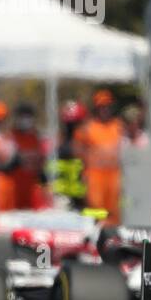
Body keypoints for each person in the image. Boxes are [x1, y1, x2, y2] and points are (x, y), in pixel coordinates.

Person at [75, 89, 123, 221]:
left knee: (114, 210)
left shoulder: (118, 126)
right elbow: (78, 149)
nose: (104, 109)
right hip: (95, 175)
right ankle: (97, 231)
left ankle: (113, 231)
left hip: (114, 174)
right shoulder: (88, 127)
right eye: (102, 106)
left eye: (107, 106)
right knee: (96, 209)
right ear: (96, 108)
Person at [49, 100, 88, 210]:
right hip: (66, 196)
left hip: (83, 194)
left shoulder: (85, 142)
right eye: (70, 125)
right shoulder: (61, 143)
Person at [8, 103, 45, 210]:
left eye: (28, 116)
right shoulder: (11, 137)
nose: (25, 120)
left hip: (31, 189)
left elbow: (41, 161)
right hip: (14, 189)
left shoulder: (36, 138)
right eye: (22, 116)